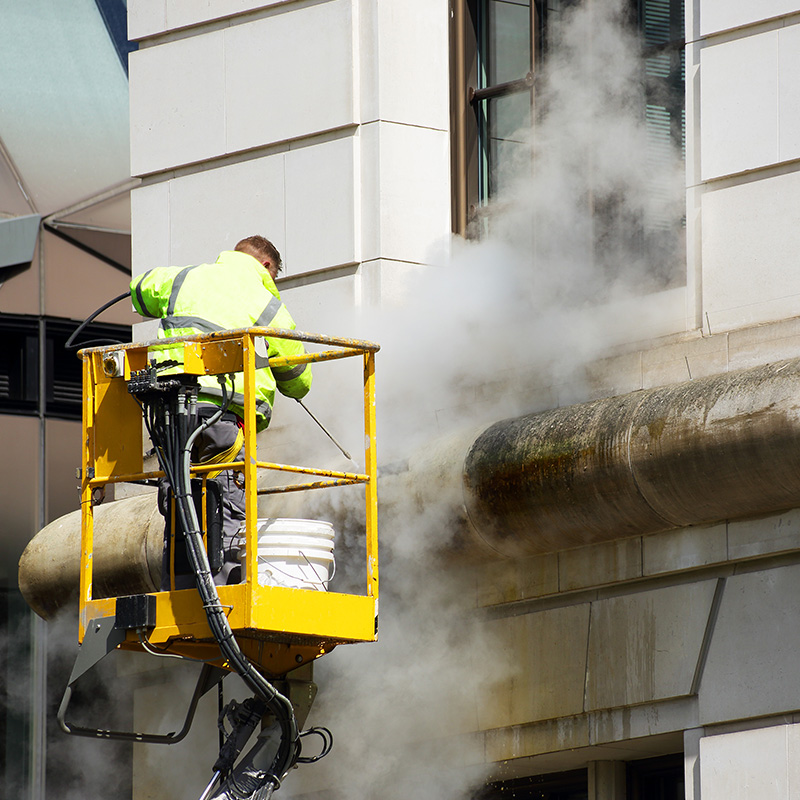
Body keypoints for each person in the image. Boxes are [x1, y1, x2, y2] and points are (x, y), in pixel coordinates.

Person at [129, 235, 312, 588]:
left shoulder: (183, 278)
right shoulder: (265, 299)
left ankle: (179, 589)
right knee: (225, 500)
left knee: (179, 499)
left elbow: (140, 290)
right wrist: (293, 386)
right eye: (273, 276)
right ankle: (222, 594)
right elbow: (296, 376)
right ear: (266, 266)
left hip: (170, 412)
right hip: (222, 417)